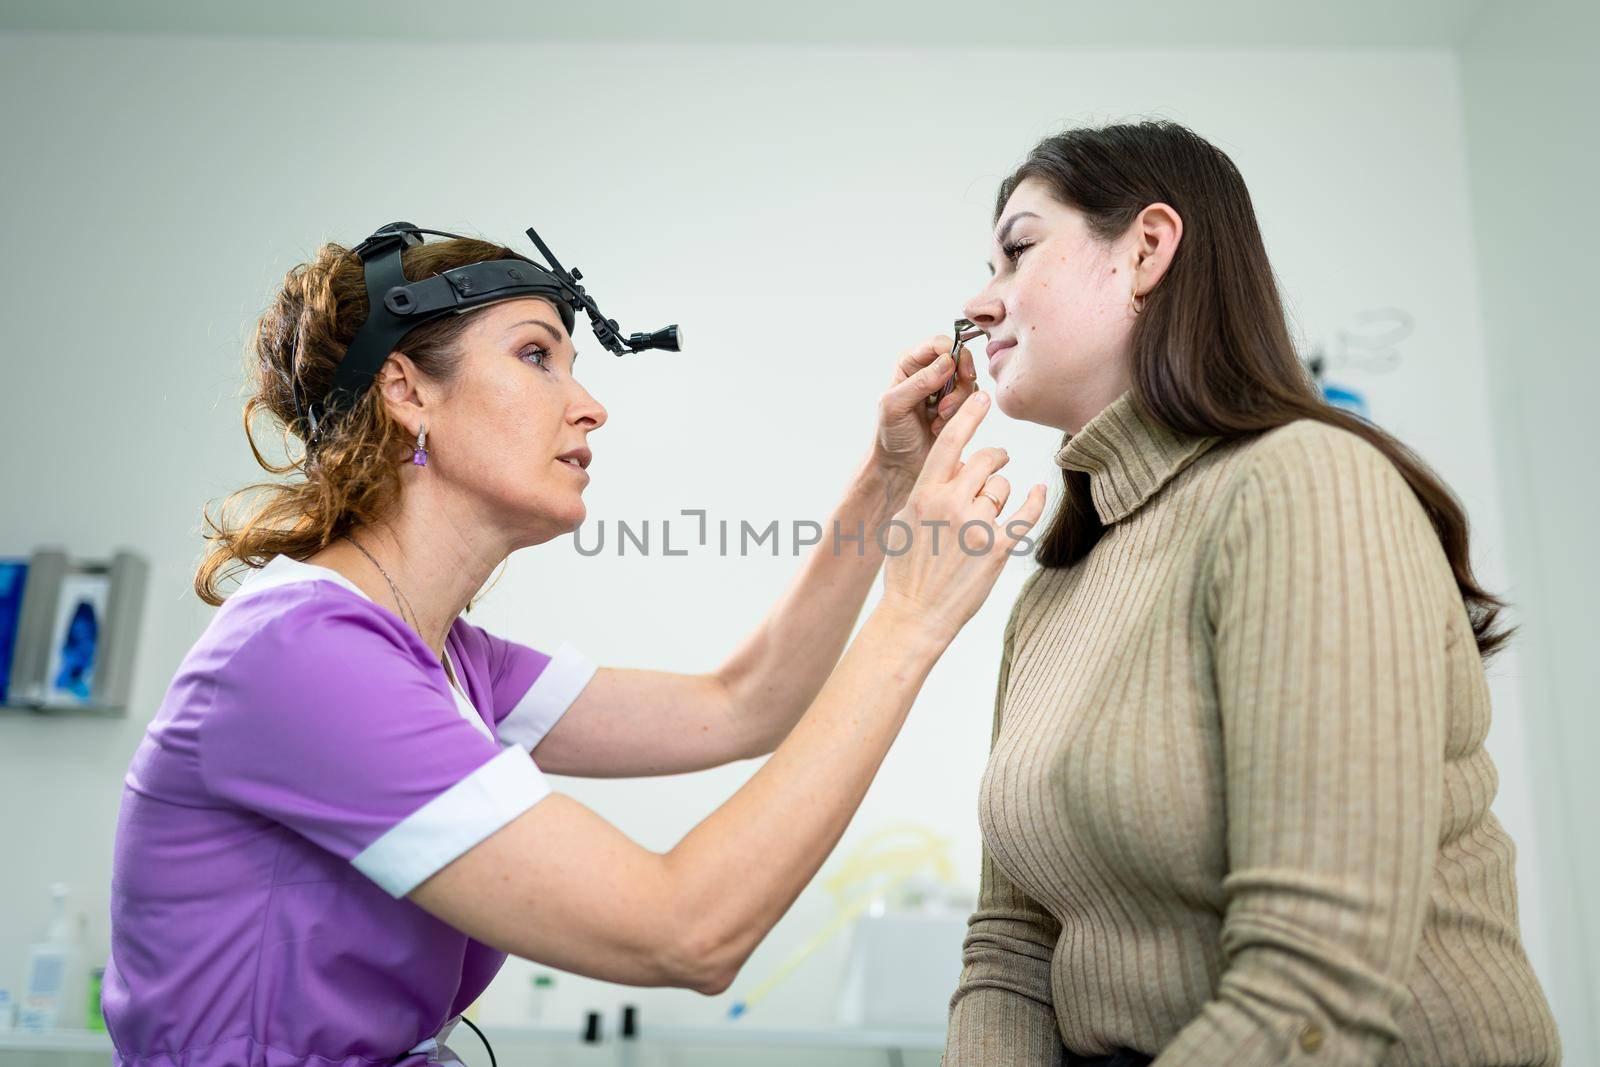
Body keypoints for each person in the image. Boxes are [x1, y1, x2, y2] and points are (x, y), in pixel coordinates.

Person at [103, 228, 1047, 1067]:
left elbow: (744, 703)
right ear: (406, 391)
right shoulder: (304, 659)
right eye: (536, 356)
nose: (590, 405)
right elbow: (683, 931)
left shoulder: (444, 659)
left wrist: (886, 476)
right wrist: (912, 621)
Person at [940, 121, 1561, 1067]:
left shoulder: (1306, 484)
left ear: (1146, 249)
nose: (979, 303)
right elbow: (1012, 948)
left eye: (1016, 250)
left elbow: (1315, 981)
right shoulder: (1054, 591)